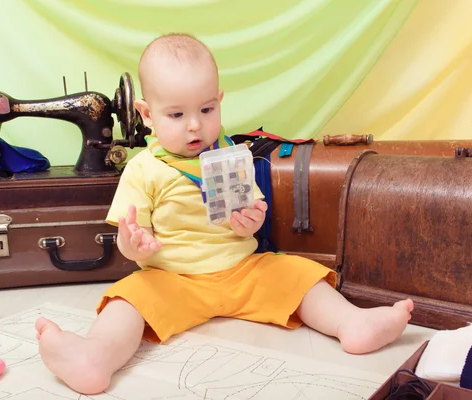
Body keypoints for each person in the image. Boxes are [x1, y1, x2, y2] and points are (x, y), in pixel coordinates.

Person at [35, 33, 414, 395]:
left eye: (206, 109)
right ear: (147, 114)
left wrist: (252, 219)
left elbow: (252, 212)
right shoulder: (143, 169)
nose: (195, 124)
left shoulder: (232, 157)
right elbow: (129, 240)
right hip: (173, 279)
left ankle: (352, 323)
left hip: (241, 270)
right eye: (177, 114)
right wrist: (135, 244)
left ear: (219, 100)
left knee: (295, 273)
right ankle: (95, 355)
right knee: (128, 299)